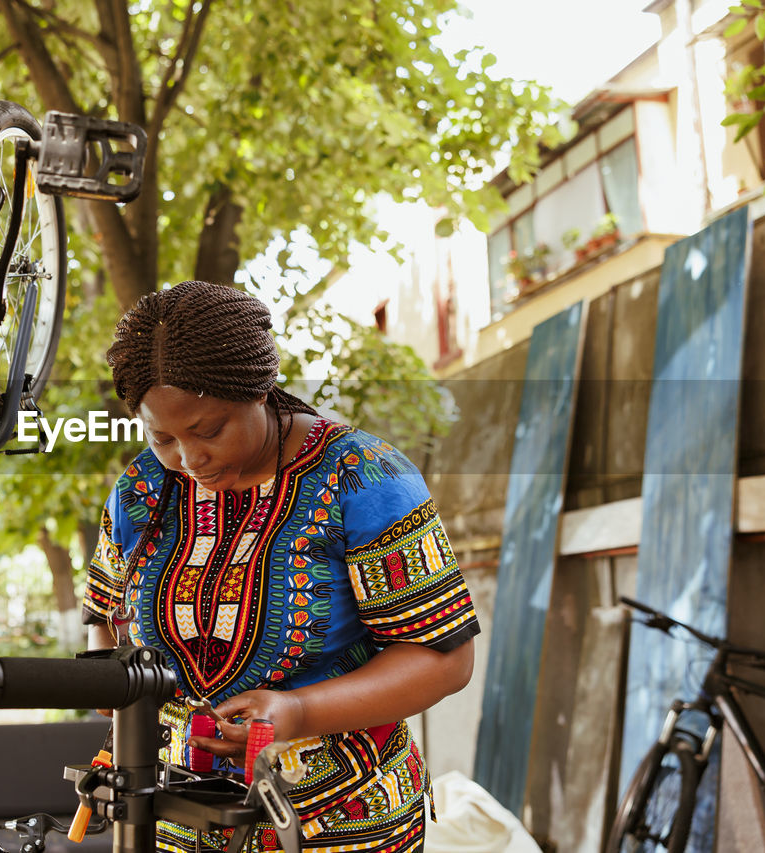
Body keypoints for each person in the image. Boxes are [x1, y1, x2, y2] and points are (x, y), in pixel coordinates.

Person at [83, 280, 480, 853]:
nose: (190, 460)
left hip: (338, 819)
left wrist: (296, 709)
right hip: (174, 816)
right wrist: (113, 680)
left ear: (259, 389)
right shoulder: (142, 488)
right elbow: (105, 616)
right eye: (163, 436)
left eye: (209, 430)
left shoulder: (364, 475)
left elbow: (445, 659)